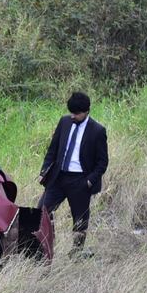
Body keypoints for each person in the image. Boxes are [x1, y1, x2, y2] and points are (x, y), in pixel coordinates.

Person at [38, 92, 108, 257]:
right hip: (58, 177)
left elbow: (102, 162)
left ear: (86, 111)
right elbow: (53, 149)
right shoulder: (64, 122)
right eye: (71, 112)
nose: (73, 116)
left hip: (80, 181)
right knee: (42, 211)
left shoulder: (97, 131)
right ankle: (43, 249)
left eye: (77, 113)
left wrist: (89, 181)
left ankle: (76, 253)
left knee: (80, 220)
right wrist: (44, 170)